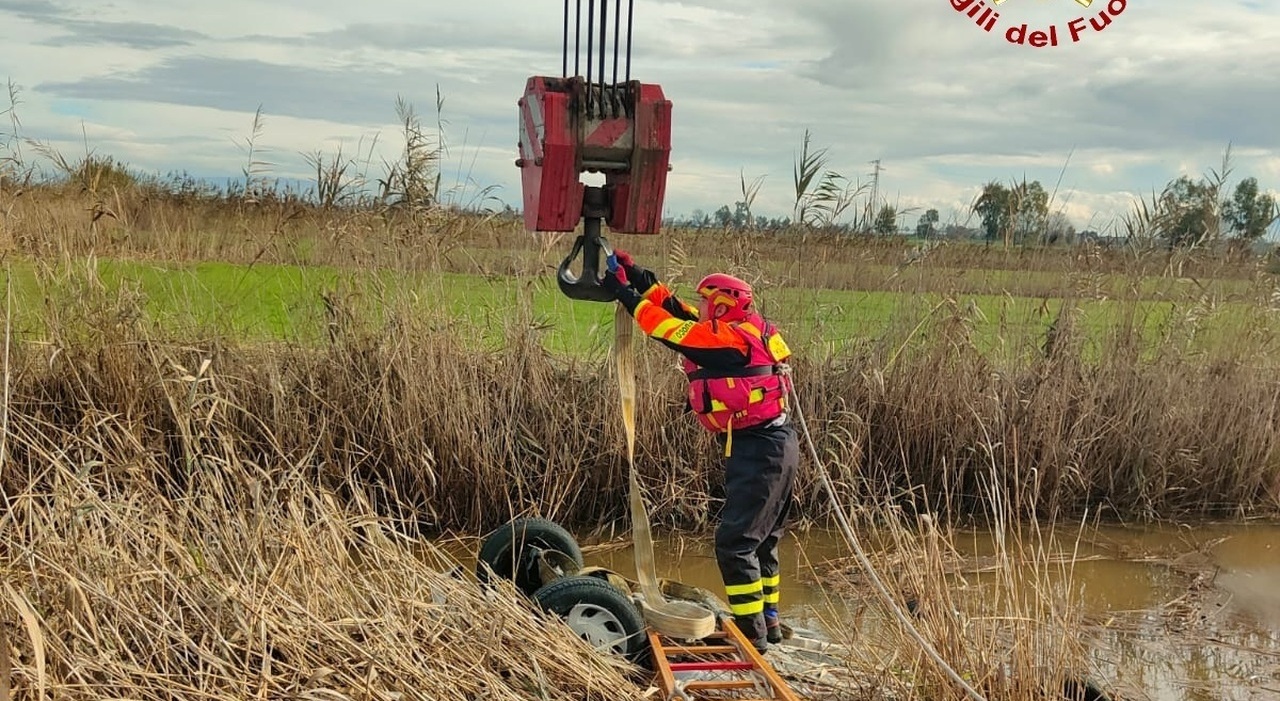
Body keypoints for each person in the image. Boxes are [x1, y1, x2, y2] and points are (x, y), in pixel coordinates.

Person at [602, 249, 800, 653]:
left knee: (736, 543)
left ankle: (752, 635)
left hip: (761, 448)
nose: (705, 307)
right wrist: (640, 278)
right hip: (777, 444)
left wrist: (623, 295)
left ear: (725, 304)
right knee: (762, 541)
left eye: (711, 302)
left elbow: (669, 330)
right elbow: (681, 314)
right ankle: (770, 624)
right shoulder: (744, 331)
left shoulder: (728, 339)